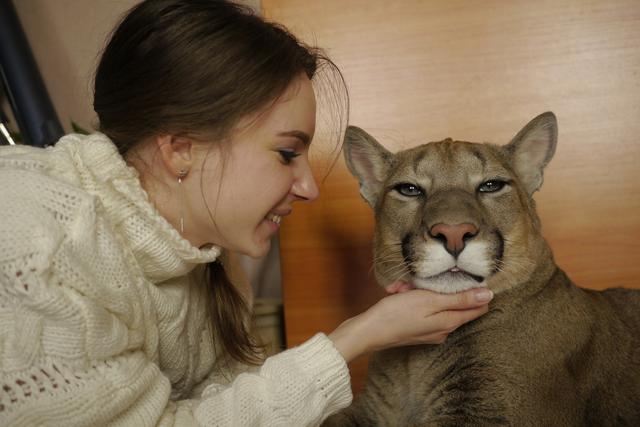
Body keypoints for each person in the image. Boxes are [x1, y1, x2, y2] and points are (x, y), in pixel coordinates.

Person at [0, 1, 493, 425]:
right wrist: (354, 338)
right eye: (285, 154)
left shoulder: (213, 263)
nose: (308, 188)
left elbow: (233, 405)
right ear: (180, 150)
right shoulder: (38, 241)